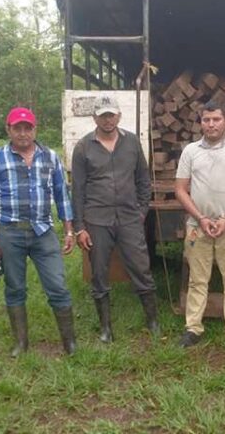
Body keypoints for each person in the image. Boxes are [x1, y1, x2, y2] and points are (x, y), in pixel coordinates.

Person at [0, 106, 77, 356]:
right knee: (15, 288)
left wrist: (68, 230)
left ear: (35, 129)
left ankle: (70, 343)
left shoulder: (51, 157)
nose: (23, 133)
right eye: (17, 128)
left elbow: (62, 195)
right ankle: (21, 343)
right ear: (8, 130)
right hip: (9, 232)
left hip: (43, 231)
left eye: (27, 128)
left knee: (57, 285)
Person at [71, 96, 159, 343]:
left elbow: (143, 179)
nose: (107, 120)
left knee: (141, 268)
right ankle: (105, 328)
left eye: (111, 115)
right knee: (99, 273)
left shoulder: (132, 142)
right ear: (94, 118)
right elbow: (77, 190)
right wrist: (79, 227)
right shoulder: (83, 147)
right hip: (97, 220)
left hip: (130, 218)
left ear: (119, 116)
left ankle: (153, 322)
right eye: (103, 116)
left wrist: (141, 211)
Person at [174, 101, 225, 355]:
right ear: (200, 123)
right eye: (206, 120)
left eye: (216, 119)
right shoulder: (190, 151)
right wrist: (200, 218)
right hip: (198, 225)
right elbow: (180, 189)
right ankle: (193, 328)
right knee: (197, 279)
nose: (211, 124)